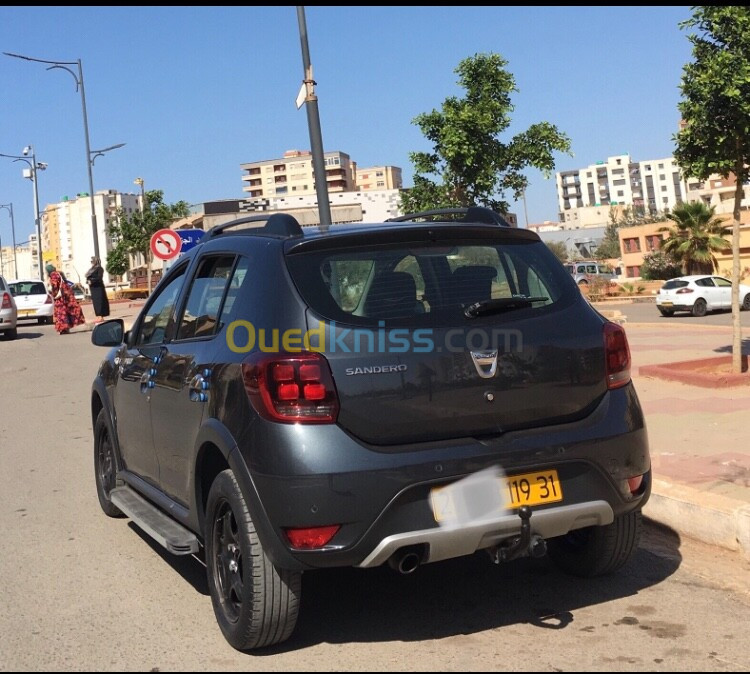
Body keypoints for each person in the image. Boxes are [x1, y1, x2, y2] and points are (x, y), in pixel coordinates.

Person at [46, 264, 86, 335]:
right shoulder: (59, 273)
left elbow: (55, 286)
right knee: (67, 311)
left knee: (61, 313)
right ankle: (66, 328)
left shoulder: (53, 275)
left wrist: (52, 293)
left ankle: (63, 329)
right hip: (66, 295)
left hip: (61, 298)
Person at [85, 256, 110, 322]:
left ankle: (101, 316)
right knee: (95, 302)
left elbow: (99, 278)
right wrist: (88, 281)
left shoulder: (100, 268)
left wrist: (92, 281)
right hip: (93, 288)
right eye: (91, 261)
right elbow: (88, 277)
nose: (92, 263)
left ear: (96, 261)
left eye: (92, 261)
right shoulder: (91, 269)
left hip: (98, 287)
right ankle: (98, 316)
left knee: (99, 301)